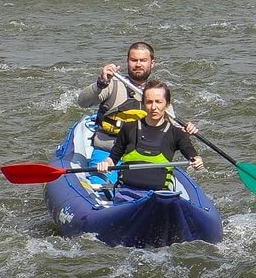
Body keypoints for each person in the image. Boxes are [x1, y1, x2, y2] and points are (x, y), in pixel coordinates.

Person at [77, 42, 197, 185]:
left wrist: (185, 130)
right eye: (134, 60)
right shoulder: (112, 83)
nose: (138, 64)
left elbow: (172, 127)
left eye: (143, 60)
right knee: (99, 184)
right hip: (107, 151)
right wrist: (100, 83)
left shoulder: (156, 92)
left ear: (152, 63)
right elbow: (82, 102)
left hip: (140, 156)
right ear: (128, 62)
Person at [96, 80, 203, 195]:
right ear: (143, 104)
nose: (153, 107)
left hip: (160, 196)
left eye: (158, 102)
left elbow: (189, 151)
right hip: (127, 193)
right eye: (149, 102)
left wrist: (196, 159)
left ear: (167, 104)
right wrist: (106, 163)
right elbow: (113, 157)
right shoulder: (129, 128)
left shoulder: (176, 133)